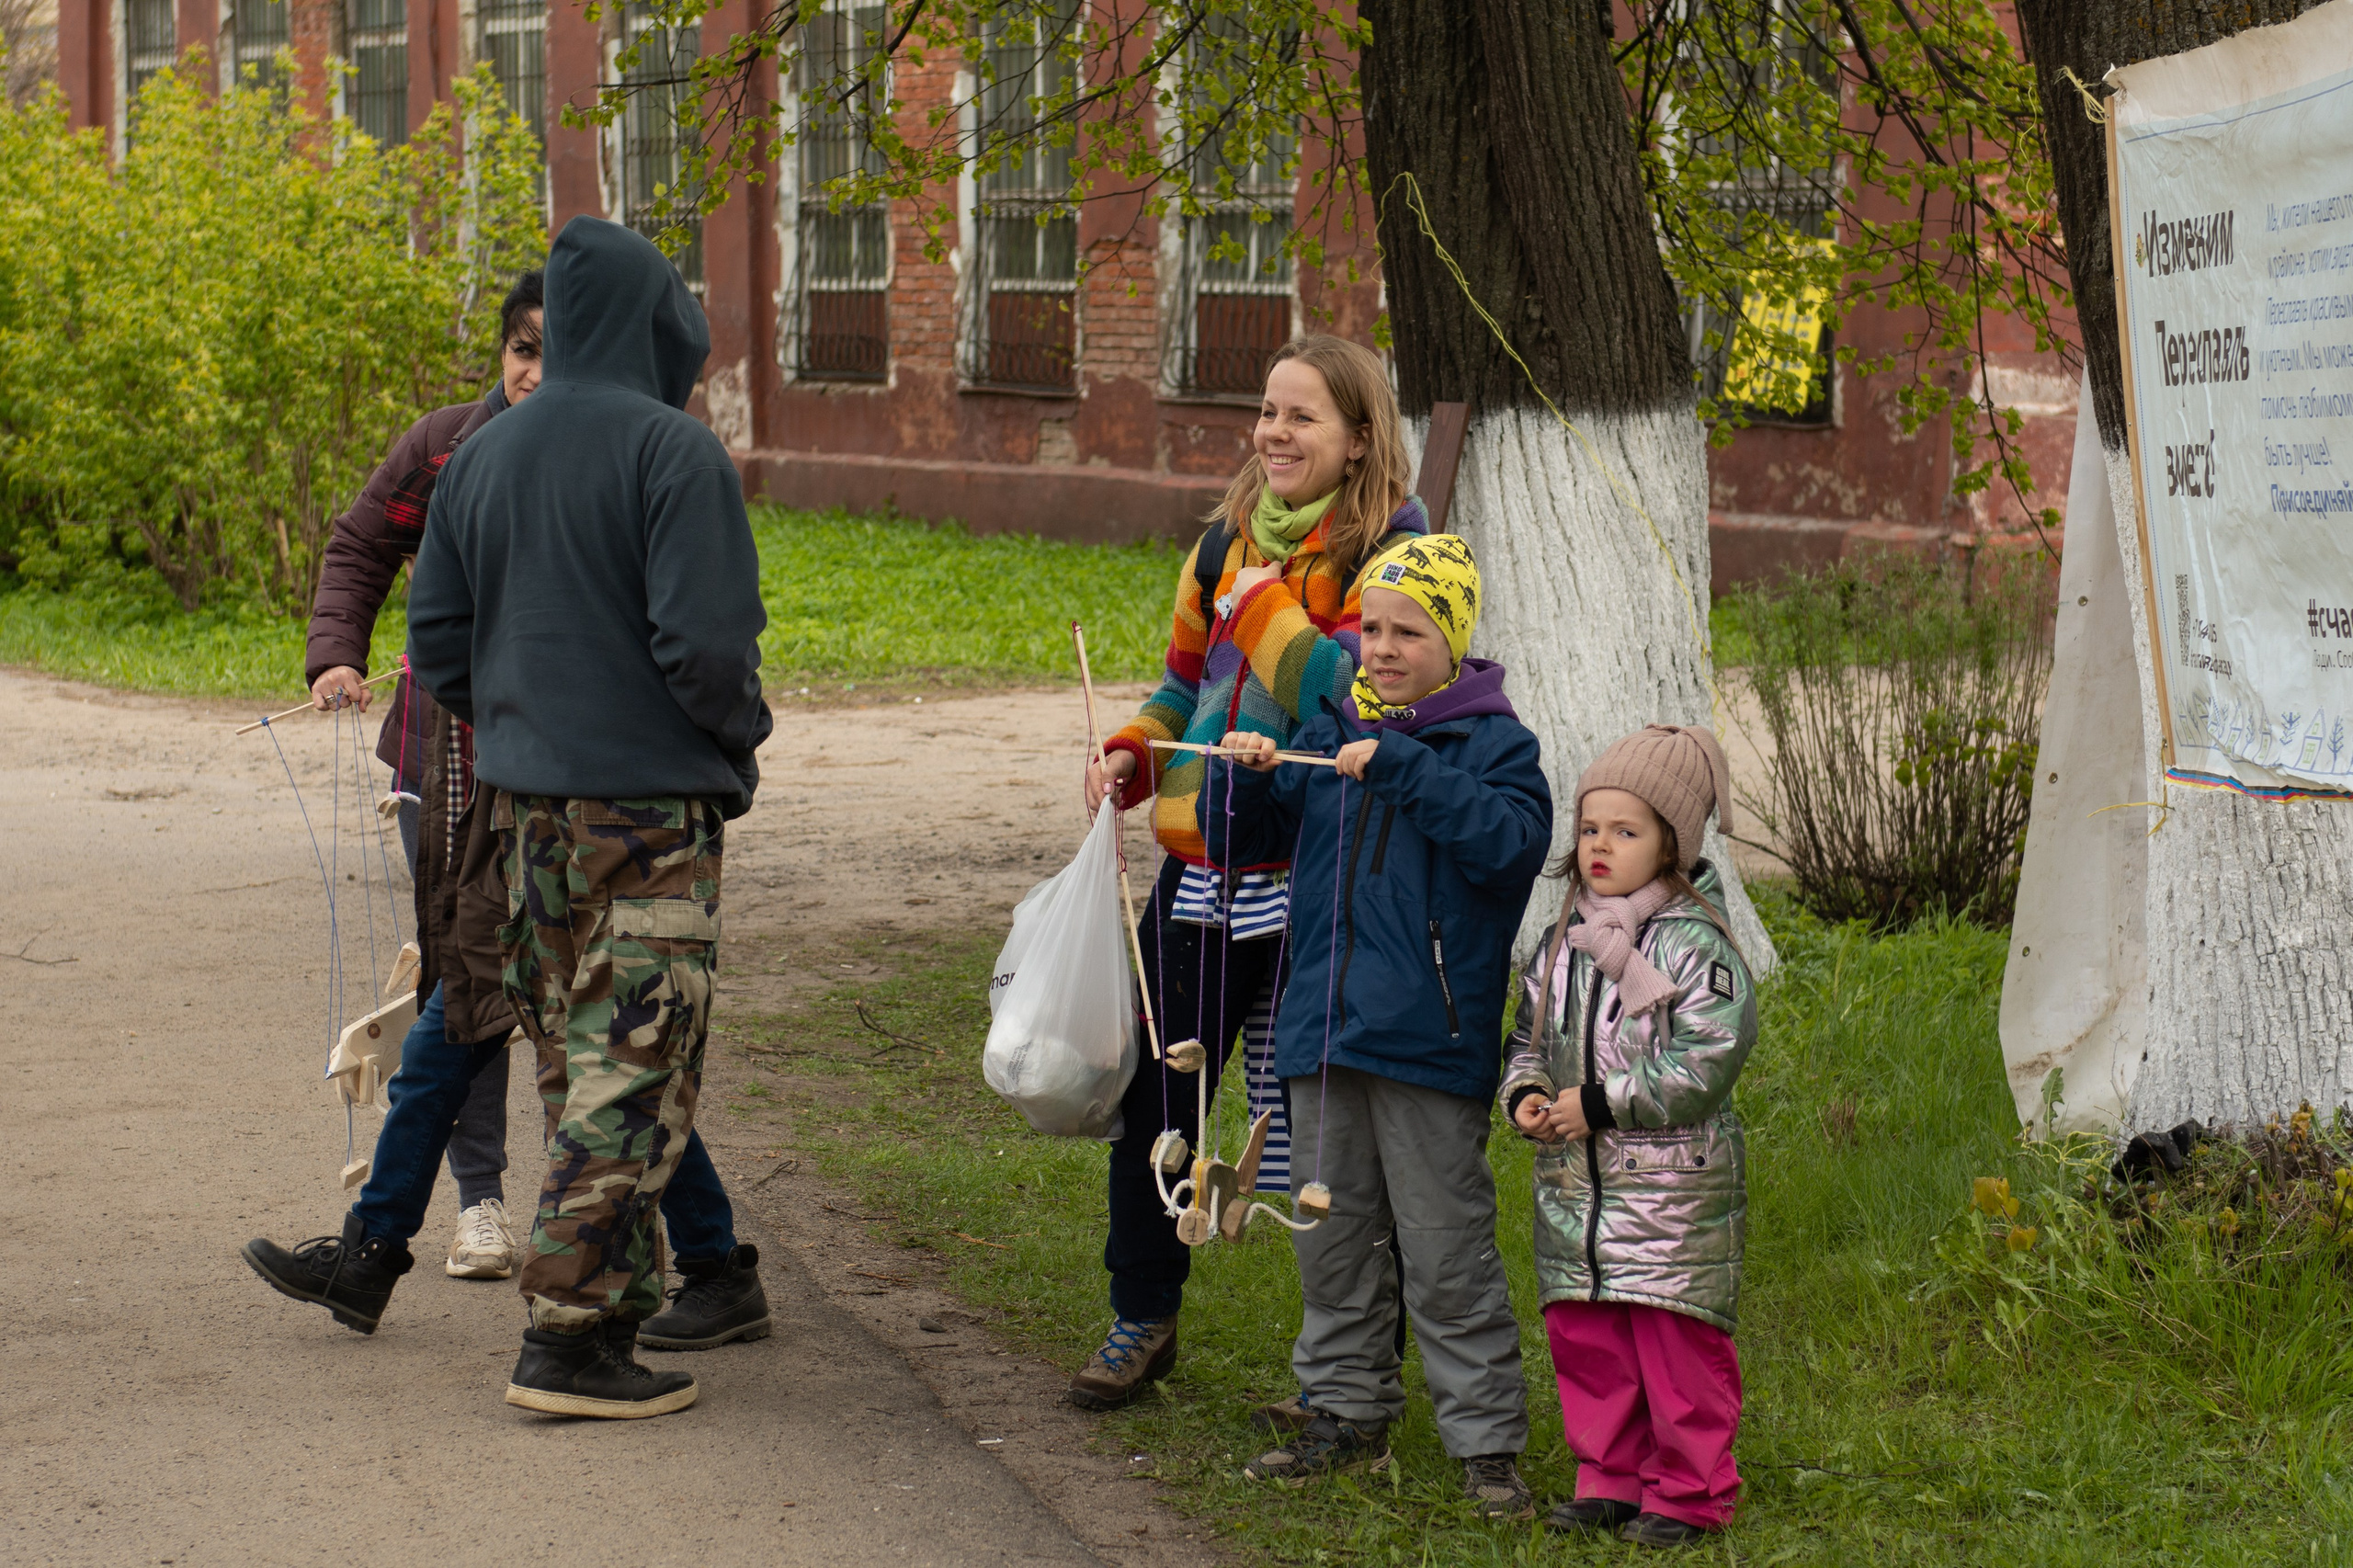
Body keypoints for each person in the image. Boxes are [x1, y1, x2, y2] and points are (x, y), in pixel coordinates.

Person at [244, 269, 771, 1357]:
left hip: (566, 796)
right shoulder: (456, 450)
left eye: (552, 348)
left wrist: (633, 739)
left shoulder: (627, 455)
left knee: (557, 1024)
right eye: (518, 350)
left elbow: (689, 640)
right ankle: (688, 1264)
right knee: (582, 1024)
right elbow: (366, 553)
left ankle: (395, 1251)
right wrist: (341, 655)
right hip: (473, 788)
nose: (534, 371)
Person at [405, 215, 772, 1419]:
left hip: (529, 819)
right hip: (651, 814)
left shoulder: (486, 458)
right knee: (638, 1061)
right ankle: (564, 1335)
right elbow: (706, 649)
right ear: (657, 320)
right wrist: (732, 743)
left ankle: (615, 1312)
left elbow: (440, 653)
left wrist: (526, 724)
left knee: (575, 1055)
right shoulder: (676, 452)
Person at [1069, 335, 1426, 1412]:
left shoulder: (1393, 552)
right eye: (1267, 411)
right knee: (1159, 1095)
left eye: (1301, 416)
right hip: (1202, 872)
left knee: (1328, 1125)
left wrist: (1271, 613)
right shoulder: (1223, 545)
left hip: (1323, 882)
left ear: (1359, 438)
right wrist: (1134, 751)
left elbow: (1363, 697)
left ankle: (1351, 1370)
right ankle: (1143, 1313)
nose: (1273, 432)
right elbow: (1182, 689)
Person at [1203, 534, 1552, 1519]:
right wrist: (1248, 777)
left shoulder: (1492, 744)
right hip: (1319, 1029)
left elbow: (1508, 847)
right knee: (1331, 1235)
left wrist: (1396, 762)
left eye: (1409, 630)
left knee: (1446, 1251)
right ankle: (1345, 1413)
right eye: (1369, 629)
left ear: (1453, 639)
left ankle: (1485, 1443)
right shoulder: (1324, 726)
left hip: (1426, 1041)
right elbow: (1241, 846)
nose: (1383, 648)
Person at [1499, 725, 1758, 1549]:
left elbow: (1707, 1057)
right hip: (1579, 1189)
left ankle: (1689, 1491)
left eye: (1627, 830)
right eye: (1589, 829)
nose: (1601, 846)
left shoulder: (1691, 944)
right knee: (1590, 1340)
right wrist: (1529, 1094)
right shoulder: (1565, 942)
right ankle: (1609, 1475)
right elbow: (1527, 1038)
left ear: (1673, 845)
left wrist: (1602, 1103)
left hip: (1671, 1191)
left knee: (1675, 1348)